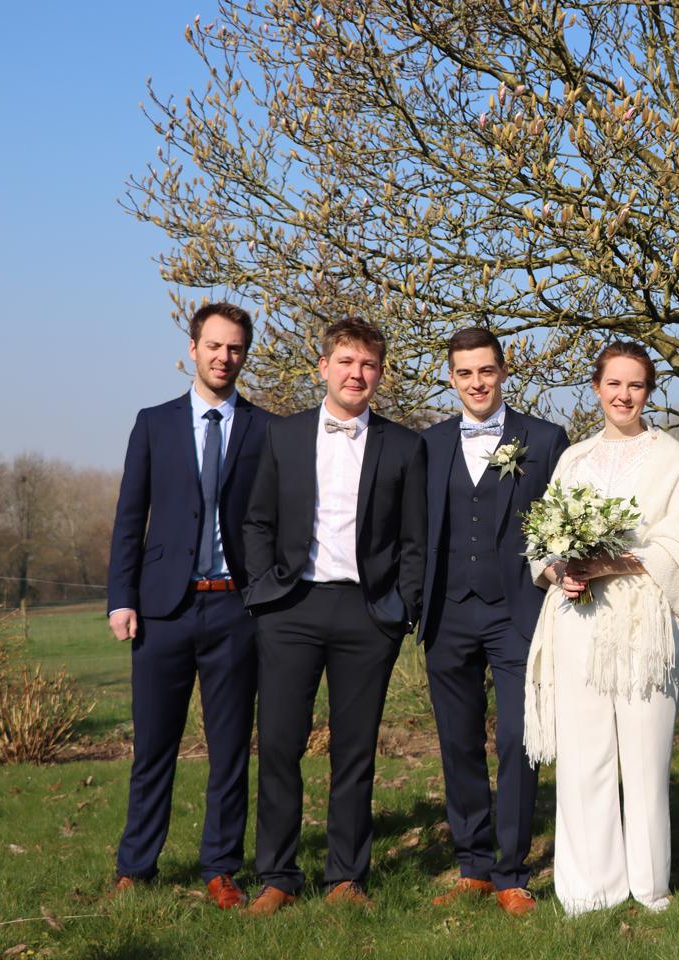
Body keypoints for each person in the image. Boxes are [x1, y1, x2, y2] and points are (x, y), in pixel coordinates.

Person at [239, 317, 429, 915]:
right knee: (278, 744)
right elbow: (257, 521)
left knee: (355, 751)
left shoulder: (405, 446)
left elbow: (415, 541)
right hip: (290, 608)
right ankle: (278, 875)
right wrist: (264, 593)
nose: (357, 374)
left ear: (380, 373)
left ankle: (346, 877)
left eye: (368, 364)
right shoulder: (283, 435)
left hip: (367, 614)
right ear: (323, 367)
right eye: (346, 362)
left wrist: (400, 611)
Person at [522, 341, 679, 917]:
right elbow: (542, 540)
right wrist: (560, 571)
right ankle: (588, 888)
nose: (624, 396)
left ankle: (649, 885)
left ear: (648, 391)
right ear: (597, 388)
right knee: (584, 757)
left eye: (636, 385)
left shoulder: (669, 456)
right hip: (577, 620)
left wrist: (609, 563)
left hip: (642, 622)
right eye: (614, 384)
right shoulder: (574, 458)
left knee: (645, 757)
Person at [105, 302, 270, 909]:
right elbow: (130, 516)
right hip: (162, 612)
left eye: (235, 348)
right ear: (193, 349)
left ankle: (221, 869)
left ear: (244, 355)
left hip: (235, 611)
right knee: (154, 748)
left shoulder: (265, 429)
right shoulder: (153, 424)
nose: (225, 357)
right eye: (215, 346)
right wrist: (121, 597)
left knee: (230, 751)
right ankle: (135, 865)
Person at [419, 328, 569, 916]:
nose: (477, 383)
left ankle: (513, 872)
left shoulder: (545, 440)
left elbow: (561, 522)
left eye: (486, 371)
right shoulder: (429, 443)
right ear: (451, 378)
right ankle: (474, 867)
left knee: (516, 739)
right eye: (465, 373)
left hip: (517, 611)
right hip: (448, 611)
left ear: (503, 371)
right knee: (458, 742)